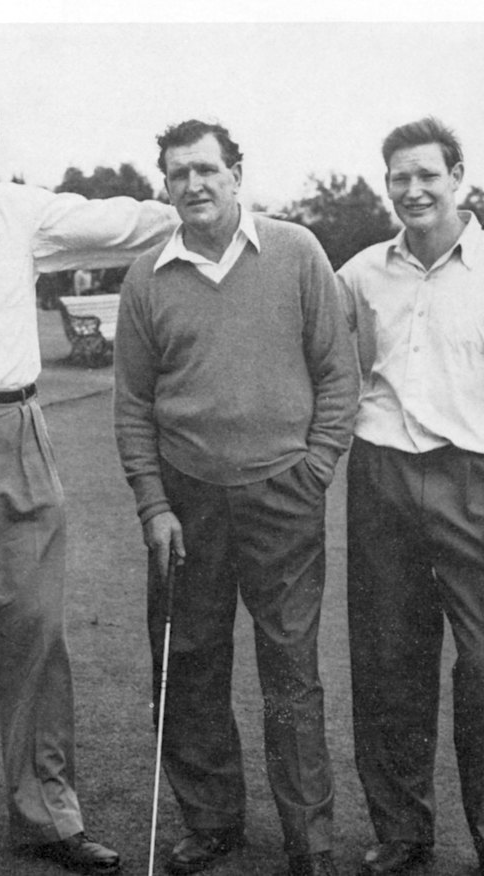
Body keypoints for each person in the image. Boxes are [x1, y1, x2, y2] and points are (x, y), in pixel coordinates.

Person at [0, 80, 177, 876]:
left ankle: (47, 816)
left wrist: (199, 203)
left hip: (19, 432)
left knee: (36, 639)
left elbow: (123, 222)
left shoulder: (19, 212)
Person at [114, 119, 358, 876]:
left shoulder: (296, 250)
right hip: (187, 500)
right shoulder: (146, 276)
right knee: (189, 663)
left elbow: (338, 372)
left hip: (283, 494)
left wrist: (317, 466)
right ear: (165, 185)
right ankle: (213, 823)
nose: (193, 184)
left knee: (290, 669)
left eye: (207, 169)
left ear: (236, 174)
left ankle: (309, 839)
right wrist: (154, 505)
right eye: (178, 173)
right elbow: (132, 405)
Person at [338, 117, 484, 876]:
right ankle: (402, 831)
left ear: (457, 176)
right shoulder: (362, 273)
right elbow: (325, 358)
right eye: (401, 177)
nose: (414, 189)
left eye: (428, 174)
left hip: (474, 479)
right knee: (389, 661)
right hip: (383, 476)